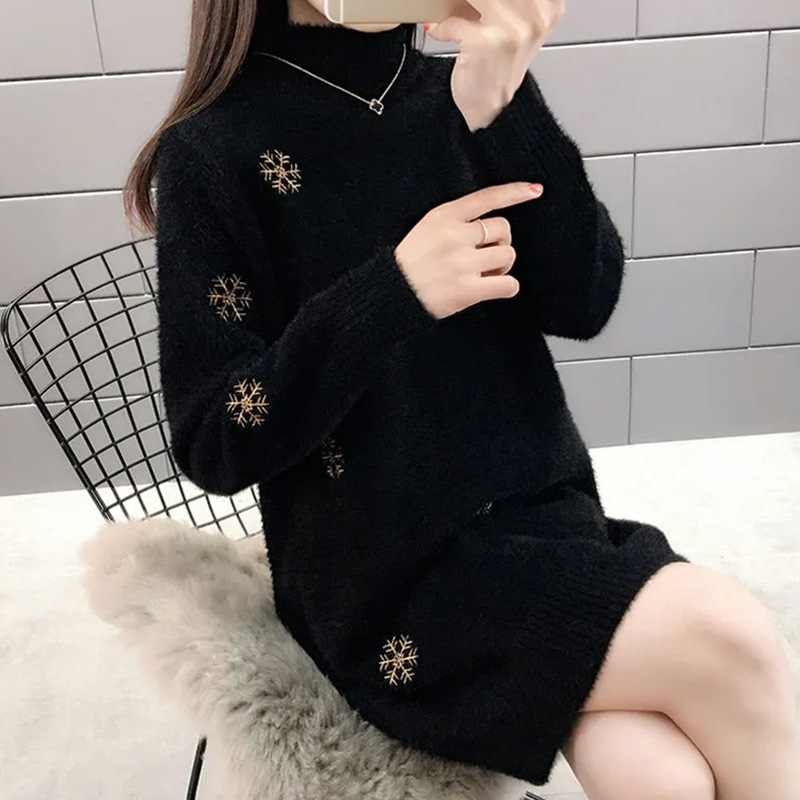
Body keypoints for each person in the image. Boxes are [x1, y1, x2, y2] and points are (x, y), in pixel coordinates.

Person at [123, 0, 800, 796]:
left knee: (661, 779)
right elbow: (216, 435)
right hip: (386, 584)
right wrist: (394, 292)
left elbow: (586, 298)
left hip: (544, 519)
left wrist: (504, 110)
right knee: (734, 639)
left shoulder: (465, 93)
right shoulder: (215, 149)